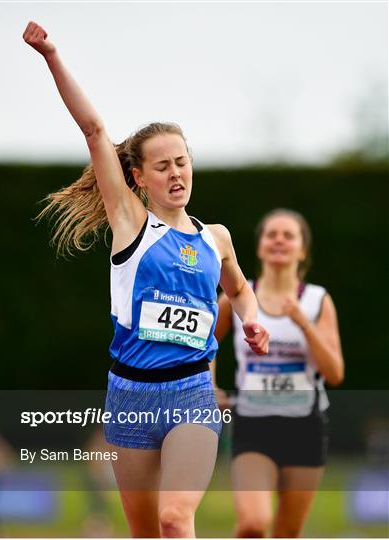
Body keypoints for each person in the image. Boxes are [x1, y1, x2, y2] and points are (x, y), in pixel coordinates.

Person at [22, 21, 269, 538]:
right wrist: (51, 55)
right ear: (138, 177)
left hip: (192, 392)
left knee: (174, 519)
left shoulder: (216, 237)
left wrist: (253, 323)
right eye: (162, 166)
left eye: (182, 162)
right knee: (144, 533)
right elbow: (94, 131)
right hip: (129, 395)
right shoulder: (132, 226)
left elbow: (241, 289)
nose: (176, 173)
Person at [215, 209, 344, 538]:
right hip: (253, 424)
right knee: (253, 523)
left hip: (305, 426)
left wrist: (302, 322)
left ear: (302, 250)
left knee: (287, 533)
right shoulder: (239, 297)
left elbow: (334, 373)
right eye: (271, 234)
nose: (279, 240)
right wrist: (209, 386)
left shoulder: (317, 300)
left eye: (289, 235)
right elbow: (200, 342)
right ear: (259, 247)